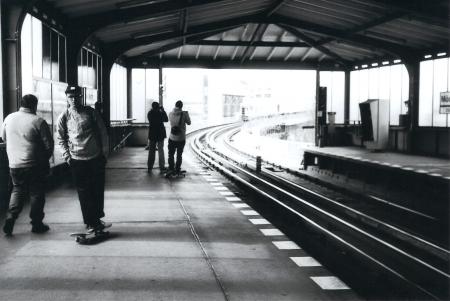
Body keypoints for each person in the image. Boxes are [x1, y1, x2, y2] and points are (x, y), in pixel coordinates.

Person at [57, 85, 109, 232]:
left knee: (97, 189)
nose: (73, 99)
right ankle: (90, 222)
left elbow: (103, 133)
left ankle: (97, 218)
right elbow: (60, 139)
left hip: (95, 157)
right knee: (84, 191)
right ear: (67, 98)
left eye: (76, 96)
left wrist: (104, 153)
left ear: (81, 97)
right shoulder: (64, 116)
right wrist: (67, 157)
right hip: (77, 159)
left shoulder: (91, 113)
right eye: (70, 97)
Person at [1, 94, 54, 236]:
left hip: (15, 164)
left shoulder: (9, 118)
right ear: (34, 105)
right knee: (36, 193)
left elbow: (4, 138)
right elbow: (49, 145)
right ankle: (36, 224)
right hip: (34, 164)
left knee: (17, 190)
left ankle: (11, 217)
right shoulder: (38, 121)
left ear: (21, 104)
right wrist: (44, 160)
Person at [167, 100, 191, 173]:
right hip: (181, 138)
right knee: (179, 154)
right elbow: (189, 123)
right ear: (181, 106)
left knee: (171, 154)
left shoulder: (170, 113)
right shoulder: (184, 114)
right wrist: (187, 114)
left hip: (172, 137)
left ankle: (171, 168)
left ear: (175, 105)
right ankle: (177, 169)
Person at [147, 101, 168, 173]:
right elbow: (166, 119)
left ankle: (150, 167)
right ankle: (162, 167)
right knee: (160, 150)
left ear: (152, 106)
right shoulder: (160, 113)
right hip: (160, 134)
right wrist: (163, 110)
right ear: (158, 106)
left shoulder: (149, 113)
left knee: (151, 151)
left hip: (152, 134)